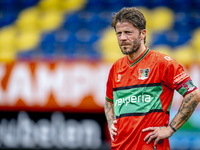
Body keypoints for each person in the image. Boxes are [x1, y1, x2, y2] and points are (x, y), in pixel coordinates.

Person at [104, 7, 200, 150]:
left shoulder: (163, 63)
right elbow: (109, 100)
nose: (122, 38)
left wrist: (170, 129)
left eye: (128, 32)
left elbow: (193, 94)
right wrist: (111, 122)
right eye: (119, 33)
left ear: (143, 34)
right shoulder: (116, 67)